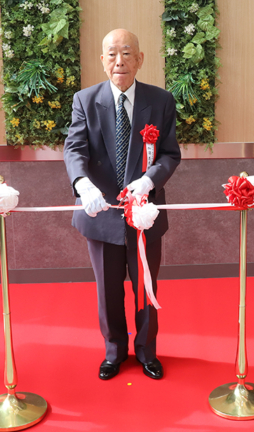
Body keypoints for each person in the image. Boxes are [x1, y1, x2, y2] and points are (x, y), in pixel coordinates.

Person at [63, 29, 181, 381]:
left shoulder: (160, 101)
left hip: (144, 214)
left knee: (146, 287)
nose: (120, 61)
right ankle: (114, 350)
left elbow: (170, 153)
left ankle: (146, 350)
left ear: (140, 59)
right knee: (108, 290)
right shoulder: (85, 100)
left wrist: (149, 181)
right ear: (102, 60)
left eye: (127, 53)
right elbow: (74, 149)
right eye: (112, 54)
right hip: (100, 214)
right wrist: (82, 184)